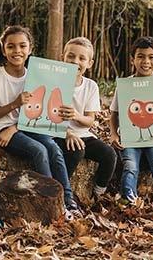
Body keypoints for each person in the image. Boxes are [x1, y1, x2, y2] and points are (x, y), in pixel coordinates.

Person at [0, 25, 78, 218]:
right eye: (11, 46)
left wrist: (16, 126)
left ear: (30, 49)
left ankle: (68, 201)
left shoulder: (37, 75)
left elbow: (44, 109)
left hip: (27, 126)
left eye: (22, 46)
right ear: (3, 49)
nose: (17, 51)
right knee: (39, 150)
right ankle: (51, 201)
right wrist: (15, 103)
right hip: (2, 129)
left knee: (54, 149)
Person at [109, 36, 153, 214]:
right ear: (133, 59)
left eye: (151, 57)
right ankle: (127, 198)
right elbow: (114, 113)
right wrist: (114, 135)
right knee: (130, 165)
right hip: (130, 138)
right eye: (140, 56)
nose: (145, 61)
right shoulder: (125, 86)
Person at [53, 37, 116, 200]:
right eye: (71, 56)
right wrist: (67, 133)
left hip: (84, 134)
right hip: (58, 133)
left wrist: (76, 115)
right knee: (76, 151)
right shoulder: (54, 82)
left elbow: (90, 120)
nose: (75, 61)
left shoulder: (90, 86)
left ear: (90, 63)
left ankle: (97, 192)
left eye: (82, 58)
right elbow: (46, 117)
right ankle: (59, 190)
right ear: (62, 58)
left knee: (109, 154)